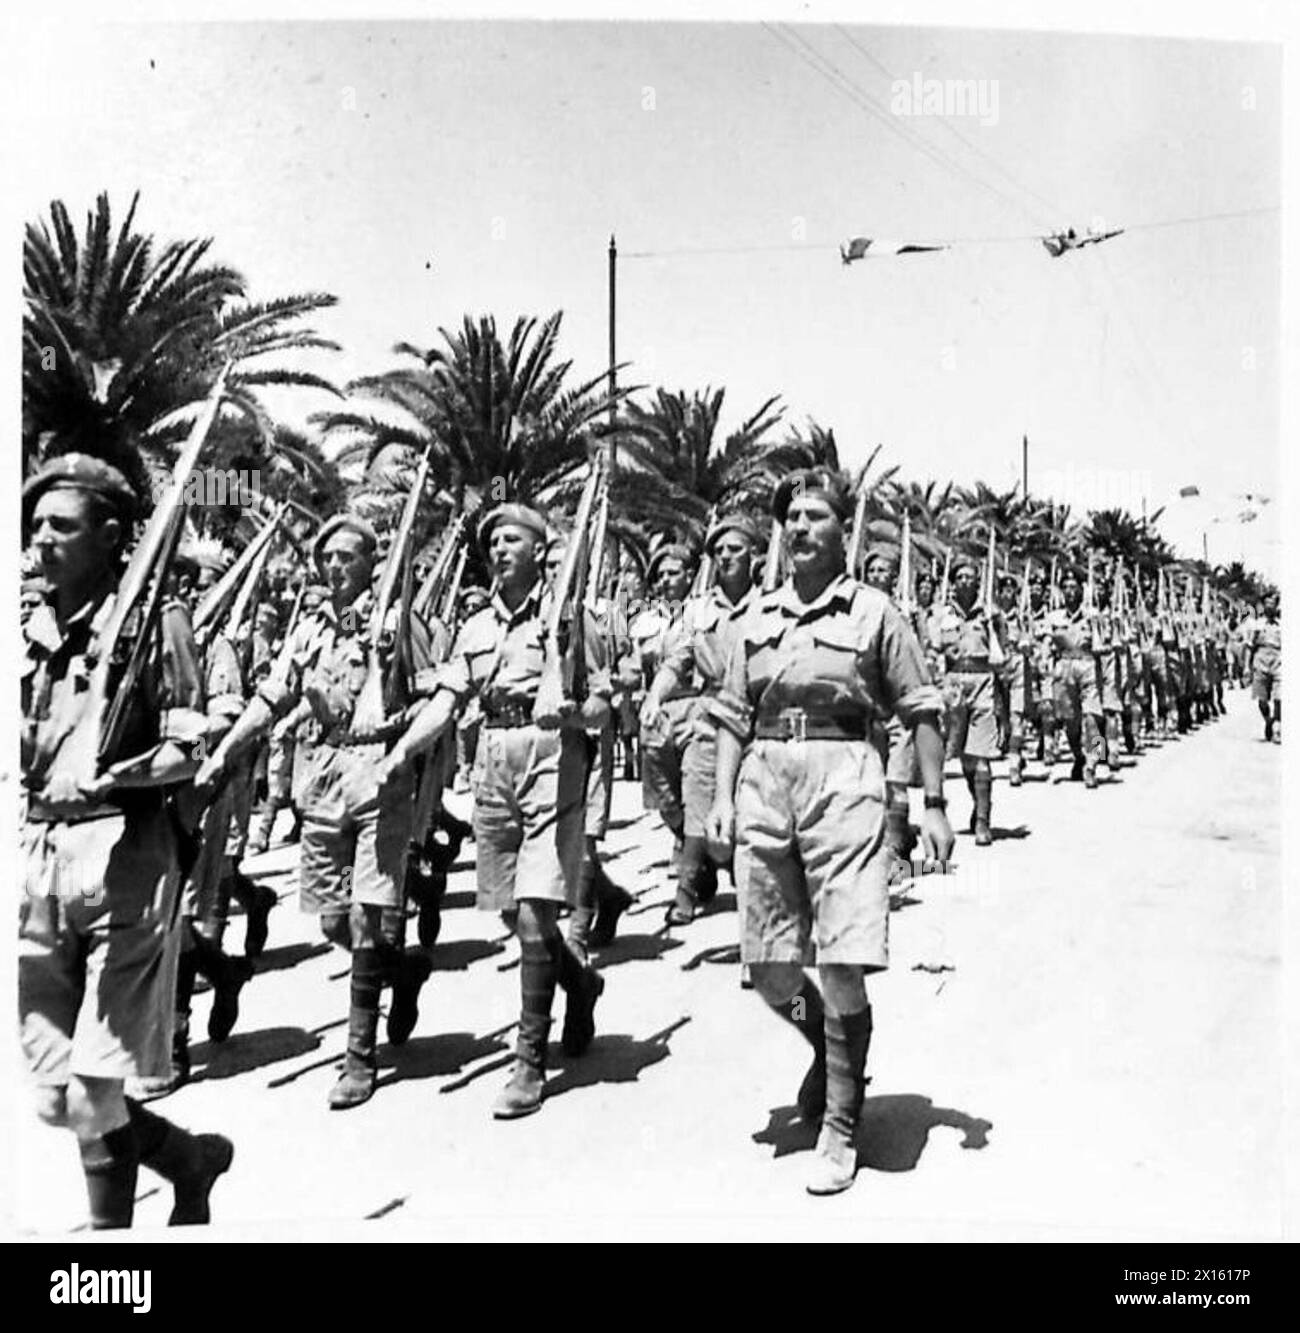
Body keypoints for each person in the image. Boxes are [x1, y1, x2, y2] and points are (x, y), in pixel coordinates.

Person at [706, 469, 953, 1196]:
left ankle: (841, 1124)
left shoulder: (874, 612)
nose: (803, 527)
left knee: (842, 956)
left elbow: (920, 705)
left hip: (846, 777)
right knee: (771, 965)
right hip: (764, 781)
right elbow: (728, 714)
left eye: (817, 514)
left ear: (844, 529)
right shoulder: (753, 617)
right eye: (793, 517)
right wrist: (720, 797)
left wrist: (934, 803)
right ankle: (828, 1042)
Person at [20, 454, 234, 1228]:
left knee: (94, 1091)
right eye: (36, 523)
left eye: (62, 526)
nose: (42, 539)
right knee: (54, 1095)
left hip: (128, 864)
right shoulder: (25, 622)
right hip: (40, 863)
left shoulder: (157, 622)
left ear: (112, 537)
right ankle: (191, 1159)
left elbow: (188, 748)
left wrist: (112, 774)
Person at [371, 503, 611, 1119]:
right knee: (511, 915)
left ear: (539, 548)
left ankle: (529, 1061)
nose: (501, 549)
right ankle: (578, 983)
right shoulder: (476, 626)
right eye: (495, 542)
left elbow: (607, 705)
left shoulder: (567, 619)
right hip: (495, 767)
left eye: (513, 539)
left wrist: (577, 714)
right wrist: (401, 750)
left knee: (535, 917)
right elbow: (450, 700)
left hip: (553, 765)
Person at [196, 514, 436, 1110]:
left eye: (347, 557)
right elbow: (272, 695)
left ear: (371, 562)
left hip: (380, 771)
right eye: (327, 557)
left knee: (364, 920)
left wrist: (404, 748)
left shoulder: (399, 624)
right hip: (323, 773)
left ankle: (360, 1057)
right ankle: (401, 971)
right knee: (332, 922)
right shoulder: (309, 628)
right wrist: (226, 754)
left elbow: (436, 698)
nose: (335, 566)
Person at [645, 512, 760, 924]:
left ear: (754, 554)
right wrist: (654, 696)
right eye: (719, 550)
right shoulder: (698, 610)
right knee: (697, 795)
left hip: (761, 722)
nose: (726, 556)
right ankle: (687, 890)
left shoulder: (770, 604)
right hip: (711, 717)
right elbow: (679, 659)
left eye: (735, 548)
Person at [930, 555, 1003, 844]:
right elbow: (934, 649)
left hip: (983, 681)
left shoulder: (990, 613)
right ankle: (979, 804)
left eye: (970, 577)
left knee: (1094, 722)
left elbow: (1002, 654)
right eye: (959, 577)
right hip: (954, 685)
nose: (965, 582)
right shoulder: (942, 614)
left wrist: (993, 625)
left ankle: (1094, 757)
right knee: (966, 758)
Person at [1045, 570, 1105, 787]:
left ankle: (1094, 762)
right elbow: (1046, 645)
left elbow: (1104, 645)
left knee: (1093, 719)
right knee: (1071, 724)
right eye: (1066, 587)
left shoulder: (1093, 614)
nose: (1070, 592)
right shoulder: (1054, 617)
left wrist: (1098, 625)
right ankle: (1079, 757)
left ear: (1082, 590)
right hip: (1064, 669)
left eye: (1074, 587)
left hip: (1088, 665)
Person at [1249, 592, 1281, 742]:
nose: (1270, 606)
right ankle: (1268, 720)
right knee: (1262, 700)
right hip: (1260, 661)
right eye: (1267, 603)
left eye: (1272, 603)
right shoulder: (1257, 624)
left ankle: (1277, 727)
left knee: (1279, 698)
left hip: (1278, 662)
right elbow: (1250, 646)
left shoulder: (1282, 625)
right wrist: (1246, 667)